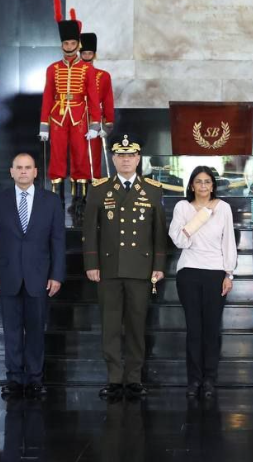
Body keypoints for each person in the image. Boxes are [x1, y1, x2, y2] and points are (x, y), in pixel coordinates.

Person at [83, 136, 167, 400]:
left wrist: (158, 265)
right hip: (108, 268)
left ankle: (133, 378)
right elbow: (90, 230)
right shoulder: (99, 189)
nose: (126, 160)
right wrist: (91, 264)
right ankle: (114, 378)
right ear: (114, 159)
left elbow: (159, 233)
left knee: (135, 325)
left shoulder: (153, 189)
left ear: (139, 159)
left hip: (140, 269)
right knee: (109, 326)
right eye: (121, 156)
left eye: (131, 156)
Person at [0, 152, 65, 399]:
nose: (23, 171)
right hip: (6, 277)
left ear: (36, 172)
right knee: (12, 331)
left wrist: (57, 275)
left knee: (37, 331)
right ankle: (15, 379)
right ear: (11, 171)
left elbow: (57, 241)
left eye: (28, 167)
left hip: (40, 278)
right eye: (18, 167)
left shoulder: (50, 201)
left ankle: (35, 379)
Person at [169, 166, 238, 398]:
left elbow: (228, 241)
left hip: (215, 273)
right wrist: (200, 217)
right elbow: (179, 240)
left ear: (213, 185)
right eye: (198, 182)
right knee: (194, 330)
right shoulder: (182, 207)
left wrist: (229, 274)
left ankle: (209, 379)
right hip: (189, 272)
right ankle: (194, 380)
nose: (203, 186)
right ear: (191, 185)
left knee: (211, 329)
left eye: (207, 182)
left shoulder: (224, 208)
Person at [40, 0, 101, 206]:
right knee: (56, 156)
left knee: (81, 155)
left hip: (79, 115)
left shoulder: (87, 69)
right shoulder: (52, 68)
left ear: (78, 43)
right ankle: (55, 198)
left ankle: (80, 200)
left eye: (72, 42)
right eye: (66, 43)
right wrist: (44, 125)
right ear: (62, 44)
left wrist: (95, 123)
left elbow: (93, 97)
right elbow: (48, 96)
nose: (68, 46)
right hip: (57, 116)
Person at [80, 31, 115, 182]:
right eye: (84, 53)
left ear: (94, 54)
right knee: (77, 158)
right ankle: (78, 197)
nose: (87, 56)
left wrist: (107, 125)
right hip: (74, 119)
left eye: (90, 53)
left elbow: (108, 100)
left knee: (94, 157)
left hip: (94, 120)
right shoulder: (72, 74)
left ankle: (94, 195)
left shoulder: (103, 75)